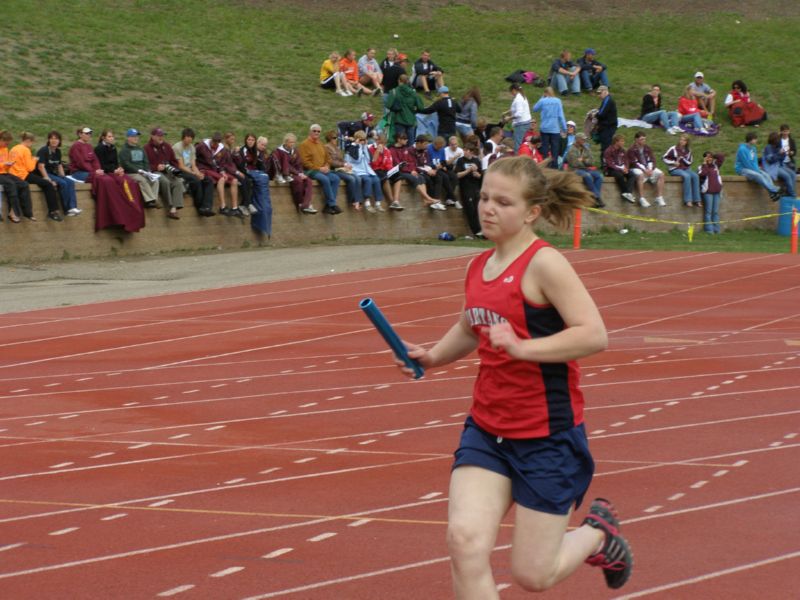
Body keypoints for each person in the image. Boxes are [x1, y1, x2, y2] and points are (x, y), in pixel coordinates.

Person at [396, 155, 632, 597]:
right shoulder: (478, 265)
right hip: (487, 431)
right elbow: (471, 324)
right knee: (464, 543)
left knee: (532, 575)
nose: (487, 208)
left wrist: (525, 349)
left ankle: (598, 532)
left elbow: (594, 334)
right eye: (484, 197)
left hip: (547, 437)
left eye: (502, 202)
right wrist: (432, 357)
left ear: (531, 212)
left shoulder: (545, 264)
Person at [67, 126, 145, 233]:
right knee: (107, 180)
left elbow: (95, 161)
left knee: (126, 181)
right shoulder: (76, 146)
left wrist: (100, 169)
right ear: (80, 134)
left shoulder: (90, 146)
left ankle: (127, 211)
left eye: (90, 133)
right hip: (80, 172)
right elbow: (81, 163)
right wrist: (95, 171)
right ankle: (111, 212)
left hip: (95, 172)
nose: (88, 135)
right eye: (86, 133)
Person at [9, 131, 63, 221]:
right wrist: (34, 159)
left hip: (12, 174)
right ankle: (53, 211)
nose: (32, 144)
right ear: (29, 140)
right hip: (22, 175)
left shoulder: (14, 148)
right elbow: (30, 168)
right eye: (32, 142)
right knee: (48, 184)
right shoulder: (26, 150)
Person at [387, 131, 441, 208]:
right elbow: (397, 164)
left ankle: (425, 200)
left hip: (407, 170)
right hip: (398, 171)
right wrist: (410, 171)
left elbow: (410, 162)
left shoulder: (405, 149)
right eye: (404, 139)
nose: (407, 140)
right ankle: (428, 198)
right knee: (414, 177)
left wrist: (413, 170)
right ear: (398, 140)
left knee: (421, 177)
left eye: (407, 138)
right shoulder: (392, 150)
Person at [299, 124, 342, 215]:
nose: (316, 133)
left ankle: (328, 205)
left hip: (323, 170)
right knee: (325, 179)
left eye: (318, 131)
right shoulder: (304, 144)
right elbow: (305, 162)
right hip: (310, 171)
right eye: (314, 131)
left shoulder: (321, 144)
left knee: (336, 178)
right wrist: (319, 168)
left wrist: (326, 166)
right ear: (310, 132)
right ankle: (332, 204)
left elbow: (328, 159)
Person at [195, 131, 241, 216]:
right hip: (204, 169)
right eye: (213, 142)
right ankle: (222, 206)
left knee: (234, 180)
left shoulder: (222, 150)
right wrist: (196, 169)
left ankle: (235, 208)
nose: (214, 145)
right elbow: (193, 156)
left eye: (216, 144)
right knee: (221, 178)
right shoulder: (202, 146)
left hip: (215, 170)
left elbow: (222, 163)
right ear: (211, 140)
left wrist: (222, 171)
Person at [36, 130, 81, 216]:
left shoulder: (58, 151)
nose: (54, 140)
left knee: (70, 182)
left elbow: (59, 165)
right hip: (44, 173)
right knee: (63, 183)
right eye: (52, 138)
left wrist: (63, 175)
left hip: (53, 173)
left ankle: (73, 207)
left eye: (56, 139)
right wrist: (47, 179)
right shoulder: (44, 150)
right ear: (48, 140)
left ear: (59, 141)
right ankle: (67, 209)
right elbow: (40, 167)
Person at [269, 133, 317, 214]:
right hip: (285, 173)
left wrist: (301, 173)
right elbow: (286, 165)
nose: (292, 144)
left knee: (308, 180)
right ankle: (300, 203)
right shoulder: (279, 151)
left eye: (294, 142)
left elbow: (299, 164)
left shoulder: (295, 151)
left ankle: (306, 204)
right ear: (286, 142)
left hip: (297, 172)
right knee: (298, 181)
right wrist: (298, 174)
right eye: (291, 142)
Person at [172, 127, 215, 216]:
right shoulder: (177, 147)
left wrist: (198, 173)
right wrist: (194, 173)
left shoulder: (191, 147)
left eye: (191, 137)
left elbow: (193, 165)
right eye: (188, 136)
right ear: (183, 137)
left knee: (208, 180)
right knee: (196, 180)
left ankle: (206, 206)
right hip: (180, 171)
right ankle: (199, 206)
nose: (190, 139)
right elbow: (181, 166)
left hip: (190, 170)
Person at [144, 127, 185, 220]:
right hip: (155, 172)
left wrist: (174, 170)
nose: (161, 137)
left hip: (167, 171)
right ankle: (170, 207)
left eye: (162, 135)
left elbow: (174, 161)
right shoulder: (146, 148)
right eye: (159, 135)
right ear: (152, 136)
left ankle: (175, 207)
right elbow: (145, 165)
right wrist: (156, 167)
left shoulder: (167, 146)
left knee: (178, 182)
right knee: (165, 181)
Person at [118, 128, 162, 210]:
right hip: (131, 173)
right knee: (142, 180)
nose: (136, 138)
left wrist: (148, 171)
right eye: (134, 136)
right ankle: (152, 200)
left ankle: (151, 201)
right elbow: (126, 164)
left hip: (143, 172)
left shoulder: (140, 149)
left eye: (137, 136)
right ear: (128, 138)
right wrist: (137, 170)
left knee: (155, 180)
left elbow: (146, 161)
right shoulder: (124, 150)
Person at [240, 133, 274, 234]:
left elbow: (261, 165)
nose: (250, 142)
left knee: (263, 178)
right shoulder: (243, 150)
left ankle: (251, 206)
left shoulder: (258, 152)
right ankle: (246, 204)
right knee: (250, 181)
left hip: (257, 175)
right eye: (249, 140)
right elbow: (242, 165)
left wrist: (263, 172)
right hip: (246, 173)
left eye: (252, 140)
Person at [735, 132, 781, 202]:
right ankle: (774, 189)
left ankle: (772, 194)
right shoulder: (742, 149)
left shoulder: (753, 148)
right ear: (750, 140)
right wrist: (756, 171)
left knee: (766, 175)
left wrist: (757, 169)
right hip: (742, 169)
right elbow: (746, 163)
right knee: (758, 176)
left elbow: (755, 161)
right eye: (755, 139)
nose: (756, 141)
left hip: (752, 168)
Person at [346, 130, 385, 212]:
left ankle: (378, 203)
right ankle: (367, 202)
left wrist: (364, 147)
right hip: (357, 170)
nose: (363, 142)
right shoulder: (352, 147)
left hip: (366, 170)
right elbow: (357, 159)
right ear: (357, 139)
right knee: (368, 180)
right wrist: (358, 146)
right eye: (361, 140)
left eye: (364, 139)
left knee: (376, 179)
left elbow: (369, 160)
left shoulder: (364, 147)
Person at [324, 129, 361, 209]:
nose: (336, 139)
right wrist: (343, 164)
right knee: (351, 179)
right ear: (329, 138)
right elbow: (331, 162)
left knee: (357, 177)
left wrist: (346, 164)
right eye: (334, 138)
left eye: (336, 137)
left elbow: (341, 159)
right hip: (334, 170)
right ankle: (351, 200)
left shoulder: (337, 148)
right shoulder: (326, 147)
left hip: (341, 168)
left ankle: (357, 200)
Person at [627, 131, 665, 207]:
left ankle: (659, 197)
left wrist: (650, 169)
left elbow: (652, 159)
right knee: (640, 175)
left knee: (661, 174)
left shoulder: (647, 148)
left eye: (644, 139)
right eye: (642, 139)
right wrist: (645, 170)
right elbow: (635, 162)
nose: (644, 141)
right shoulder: (631, 150)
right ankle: (642, 198)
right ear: (636, 140)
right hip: (635, 168)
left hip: (648, 168)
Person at [566, 133, 604, 207]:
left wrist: (583, 160)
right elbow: (574, 163)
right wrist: (586, 162)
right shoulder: (571, 149)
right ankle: (597, 197)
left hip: (585, 168)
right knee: (587, 175)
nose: (584, 140)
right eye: (582, 139)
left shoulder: (586, 148)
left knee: (599, 176)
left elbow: (592, 161)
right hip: (574, 170)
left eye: (584, 139)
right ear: (577, 140)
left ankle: (593, 198)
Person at [662, 134, 701, 207]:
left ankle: (697, 200)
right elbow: (664, 158)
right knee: (687, 176)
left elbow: (690, 162)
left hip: (685, 168)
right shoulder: (673, 148)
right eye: (681, 139)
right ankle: (688, 200)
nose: (681, 141)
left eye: (684, 140)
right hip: (675, 169)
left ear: (687, 142)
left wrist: (683, 159)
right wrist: (674, 163)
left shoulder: (688, 150)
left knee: (695, 176)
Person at [532, 87, 567, 166]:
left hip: (544, 128)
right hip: (555, 129)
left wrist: (541, 98)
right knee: (555, 149)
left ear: (545, 93)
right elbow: (561, 116)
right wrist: (564, 128)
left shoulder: (542, 101)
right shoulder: (558, 101)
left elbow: (534, 109)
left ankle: (545, 165)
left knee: (545, 148)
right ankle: (554, 166)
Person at [454, 143, 483, 237]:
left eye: (467, 150)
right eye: (465, 150)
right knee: (470, 210)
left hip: (476, 188)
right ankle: (476, 231)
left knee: (477, 209)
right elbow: (457, 175)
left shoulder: (476, 161)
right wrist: (468, 171)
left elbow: (481, 175)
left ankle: (482, 230)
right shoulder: (460, 161)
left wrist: (477, 175)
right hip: (466, 188)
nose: (465, 152)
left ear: (471, 152)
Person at [387, 74, 425, 143]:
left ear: (399, 81)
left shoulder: (394, 91)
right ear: (407, 81)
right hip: (411, 121)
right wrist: (415, 111)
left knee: (400, 143)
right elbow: (421, 107)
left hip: (399, 120)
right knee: (410, 144)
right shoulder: (413, 93)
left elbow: (388, 105)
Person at [369, 132, 401, 210]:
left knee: (399, 177)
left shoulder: (387, 150)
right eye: (381, 142)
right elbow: (373, 164)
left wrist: (392, 169)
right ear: (377, 141)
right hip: (375, 170)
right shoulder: (371, 148)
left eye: (384, 143)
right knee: (385, 179)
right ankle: (391, 201)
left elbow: (389, 164)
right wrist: (377, 153)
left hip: (385, 170)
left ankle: (396, 201)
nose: (382, 145)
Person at [603, 134, 636, 204]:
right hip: (610, 169)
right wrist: (621, 169)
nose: (623, 143)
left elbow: (626, 160)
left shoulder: (623, 150)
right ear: (616, 142)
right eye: (622, 141)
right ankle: (624, 192)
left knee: (632, 175)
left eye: (623, 141)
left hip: (621, 168)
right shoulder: (608, 151)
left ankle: (628, 193)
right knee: (619, 175)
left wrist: (626, 168)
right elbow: (610, 164)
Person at [762, 131, 796, 198]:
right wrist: (779, 154)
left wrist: (783, 153)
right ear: (774, 140)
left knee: (792, 174)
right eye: (778, 139)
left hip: (779, 165)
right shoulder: (768, 148)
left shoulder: (778, 147)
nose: (780, 140)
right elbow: (770, 160)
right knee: (787, 176)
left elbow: (782, 158)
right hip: (772, 167)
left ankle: (789, 192)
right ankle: (792, 195)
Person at [698, 152, 725, 234]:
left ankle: (717, 229)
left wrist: (713, 155)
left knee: (715, 212)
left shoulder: (716, 166)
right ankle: (709, 230)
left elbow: (721, 157)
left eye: (710, 157)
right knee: (708, 212)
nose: (709, 159)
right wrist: (705, 164)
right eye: (707, 157)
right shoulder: (701, 167)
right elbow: (703, 174)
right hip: (708, 192)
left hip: (717, 192)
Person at [508, 83, 532, 153]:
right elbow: (517, 109)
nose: (511, 94)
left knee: (517, 145)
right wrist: (507, 112)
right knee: (522, 143)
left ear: (514, 90)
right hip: (526, 122)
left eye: (511, 92)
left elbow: (519, 113)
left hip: (521, 124)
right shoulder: (523, 96)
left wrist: (509, 118)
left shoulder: (518, 99)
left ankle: (517, 160)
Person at [595, 86, 617, 160]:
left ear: (605, 92)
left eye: (599, 93)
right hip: (608, 126)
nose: (598, 95)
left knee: (605, 147)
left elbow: (601, 114)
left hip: (608, 127)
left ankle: (605, 164)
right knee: (606, 146)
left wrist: (594, 115)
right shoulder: (607, 100)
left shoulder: (608, 100)